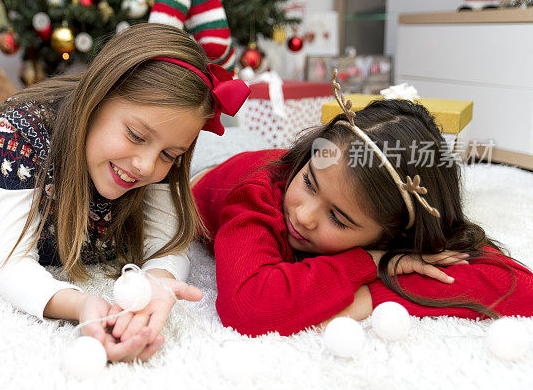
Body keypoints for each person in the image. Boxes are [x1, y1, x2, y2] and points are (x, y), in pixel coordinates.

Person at [0, 23, 250, 360]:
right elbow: (11, 267)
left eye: (170, 155)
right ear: (97, 99)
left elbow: (166, 243)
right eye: (135, 135)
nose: (145, 166)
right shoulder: (20, 130)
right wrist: (85, 305)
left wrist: (156, 284)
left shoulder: (159, 146)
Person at [192, 78, 533, 336]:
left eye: (337, 218)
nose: (303, 215)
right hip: (206, 163)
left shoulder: (382, 213)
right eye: (309, 182)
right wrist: (370, 263)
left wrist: (372, 293)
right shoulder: (257, 194)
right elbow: (249, 308)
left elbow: (519, 288)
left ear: (391, 234)